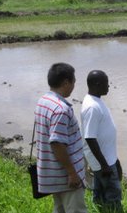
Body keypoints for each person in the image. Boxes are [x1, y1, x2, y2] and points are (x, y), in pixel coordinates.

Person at [34, 63, 87, 212]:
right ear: (65, 82)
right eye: (74, 81)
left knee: (60, 209)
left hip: (52, 173)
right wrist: (72, 173)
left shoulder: (43, 101)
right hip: (66, 177)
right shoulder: (61, 110)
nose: (74, 85)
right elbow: (57, 143)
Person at [80, 70, 123, 212]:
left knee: (99, 194)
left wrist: (115, 159)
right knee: (113, 195)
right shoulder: (92, 107)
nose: (109, 86)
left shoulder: (96, 101)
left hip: (106, 159)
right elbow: (89, 137)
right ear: (98, 84)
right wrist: (104, 165)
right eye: (106, 83)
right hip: (103, 163)